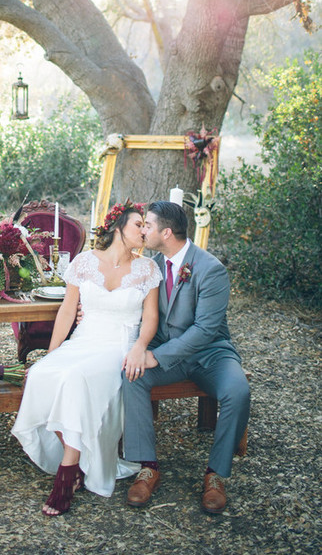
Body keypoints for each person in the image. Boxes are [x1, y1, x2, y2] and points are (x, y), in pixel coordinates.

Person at [11, 202, 162, 516]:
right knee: (42, 374)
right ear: (118, 226)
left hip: (119, 344)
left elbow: (150, 318)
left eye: (147, 226)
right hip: (84, 339)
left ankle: (67, 474)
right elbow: (68, 310)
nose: (144, 231)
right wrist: (52, 354)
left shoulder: (147, 269)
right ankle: (74, 459)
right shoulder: (83, 262)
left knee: (75, 379)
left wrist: (140, 346)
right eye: (139, 224)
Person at [122, 200, 250, 515]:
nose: (143, 230)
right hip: (170, 354)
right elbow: (137, 309)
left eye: (148, 225)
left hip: (211, 354)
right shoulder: (151, 265)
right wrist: (140, 349)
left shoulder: (211, 269)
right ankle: (148, 467)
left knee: (238, 391)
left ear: (166, 232)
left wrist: (156, 356)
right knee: (130, 376)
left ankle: (216, 475)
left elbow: (206, 330)